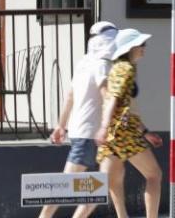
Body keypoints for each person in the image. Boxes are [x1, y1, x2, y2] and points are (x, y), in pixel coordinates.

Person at [38, 21, 119, 218]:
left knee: (100, 188)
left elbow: (70, 96)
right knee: (68, 186)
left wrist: (61, 125)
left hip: (82, 131)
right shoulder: (102, 65)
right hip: (93, 133)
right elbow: (107, 95)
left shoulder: (84, 62)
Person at [96, 28, 163, 218]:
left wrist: (145, 132)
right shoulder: (125, 68)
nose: (144, 48)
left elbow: (128, 106)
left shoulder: (118, 68)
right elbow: (112, 100)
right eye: (141, 44)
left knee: (112, 181)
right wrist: (103, 127)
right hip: (124, 132)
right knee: (154, 175)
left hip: (115, 133)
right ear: (131, 47)